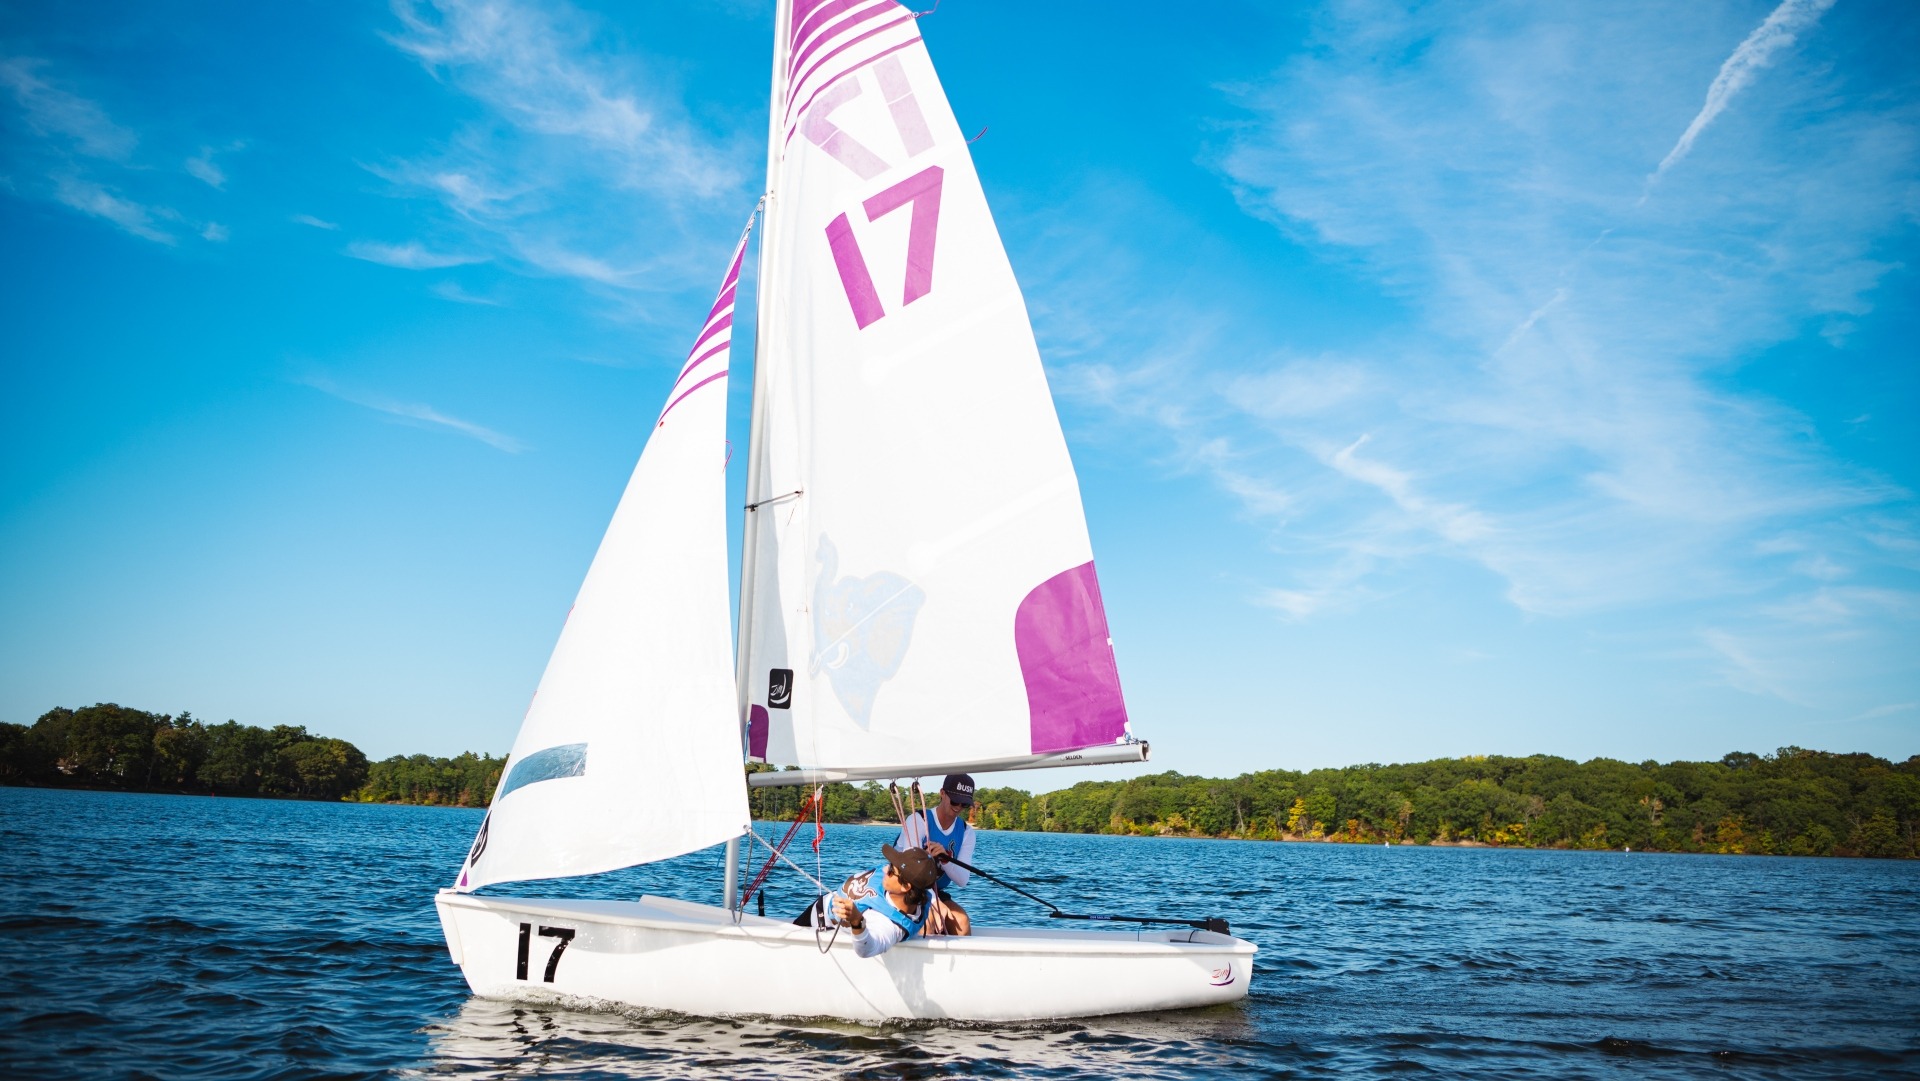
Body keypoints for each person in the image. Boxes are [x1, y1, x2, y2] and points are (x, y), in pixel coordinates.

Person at [794, 843, 941, 958]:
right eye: (890, 865)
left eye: (891, 870)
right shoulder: (919, 889)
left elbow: (866, 949)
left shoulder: (889, 925)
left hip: (818, 922)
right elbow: (922, 879)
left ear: (905, 886)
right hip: (819, 905)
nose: (885, 870)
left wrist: (856, 920)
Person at [896, 773, 975, 935]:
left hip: (935, 892)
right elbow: (911, 873)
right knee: (928, 923)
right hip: (905, 889)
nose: (959, 807)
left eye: (965, 804)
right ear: (942, 793)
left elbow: (962, 880)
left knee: (962, 922)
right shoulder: (918, 820)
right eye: (955, 801)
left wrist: (946, 860)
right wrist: (934, 903)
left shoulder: (967, 832)